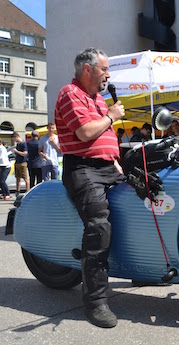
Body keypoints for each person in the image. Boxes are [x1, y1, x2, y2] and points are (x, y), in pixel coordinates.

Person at [55, 48, 125, 328]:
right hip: (83, 169)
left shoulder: (97, 99)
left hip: (108, 167)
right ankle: (96, 301)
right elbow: (84, 133)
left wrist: (116, 162)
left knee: (141, 205)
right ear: (87, 69)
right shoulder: (70, 93)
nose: (108, 75)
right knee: (99, 225)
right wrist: (111, 115)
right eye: (104, 69)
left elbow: (102, 138)